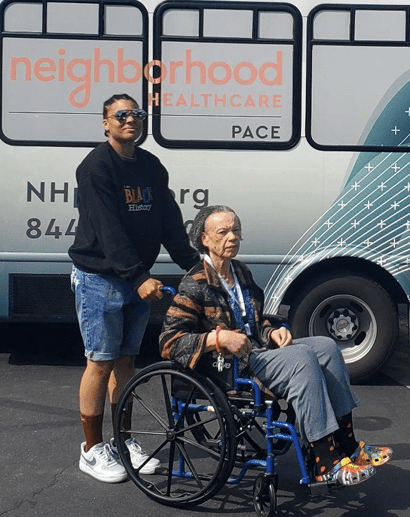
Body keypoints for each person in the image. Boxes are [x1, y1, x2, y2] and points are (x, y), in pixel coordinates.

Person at [160, 205, 391, 487]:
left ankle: (348, 445)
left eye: (236, 230)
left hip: (257, 352)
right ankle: (323, 461)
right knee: (303, 357)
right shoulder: (194, 283)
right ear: (204, 240)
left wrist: (272, 333)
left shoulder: (241, 272)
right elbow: (169, 342)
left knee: (327, 346)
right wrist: (217, 339)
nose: (232, 236)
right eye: (223, 232)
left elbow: (255, 324)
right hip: (231, 366)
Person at [69, 93, 199, 483]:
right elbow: (109, 231)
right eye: (121, 115)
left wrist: (195, 266)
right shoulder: (96, 168)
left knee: (126, 363)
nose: (130, 120)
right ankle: (91, 450)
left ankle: (123, 442)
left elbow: (169, 223)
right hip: (100, 280)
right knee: (100, 361)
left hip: (135, 279)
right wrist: (139, 277)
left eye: (136, 114)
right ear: (105, 123)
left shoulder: (152, 167)